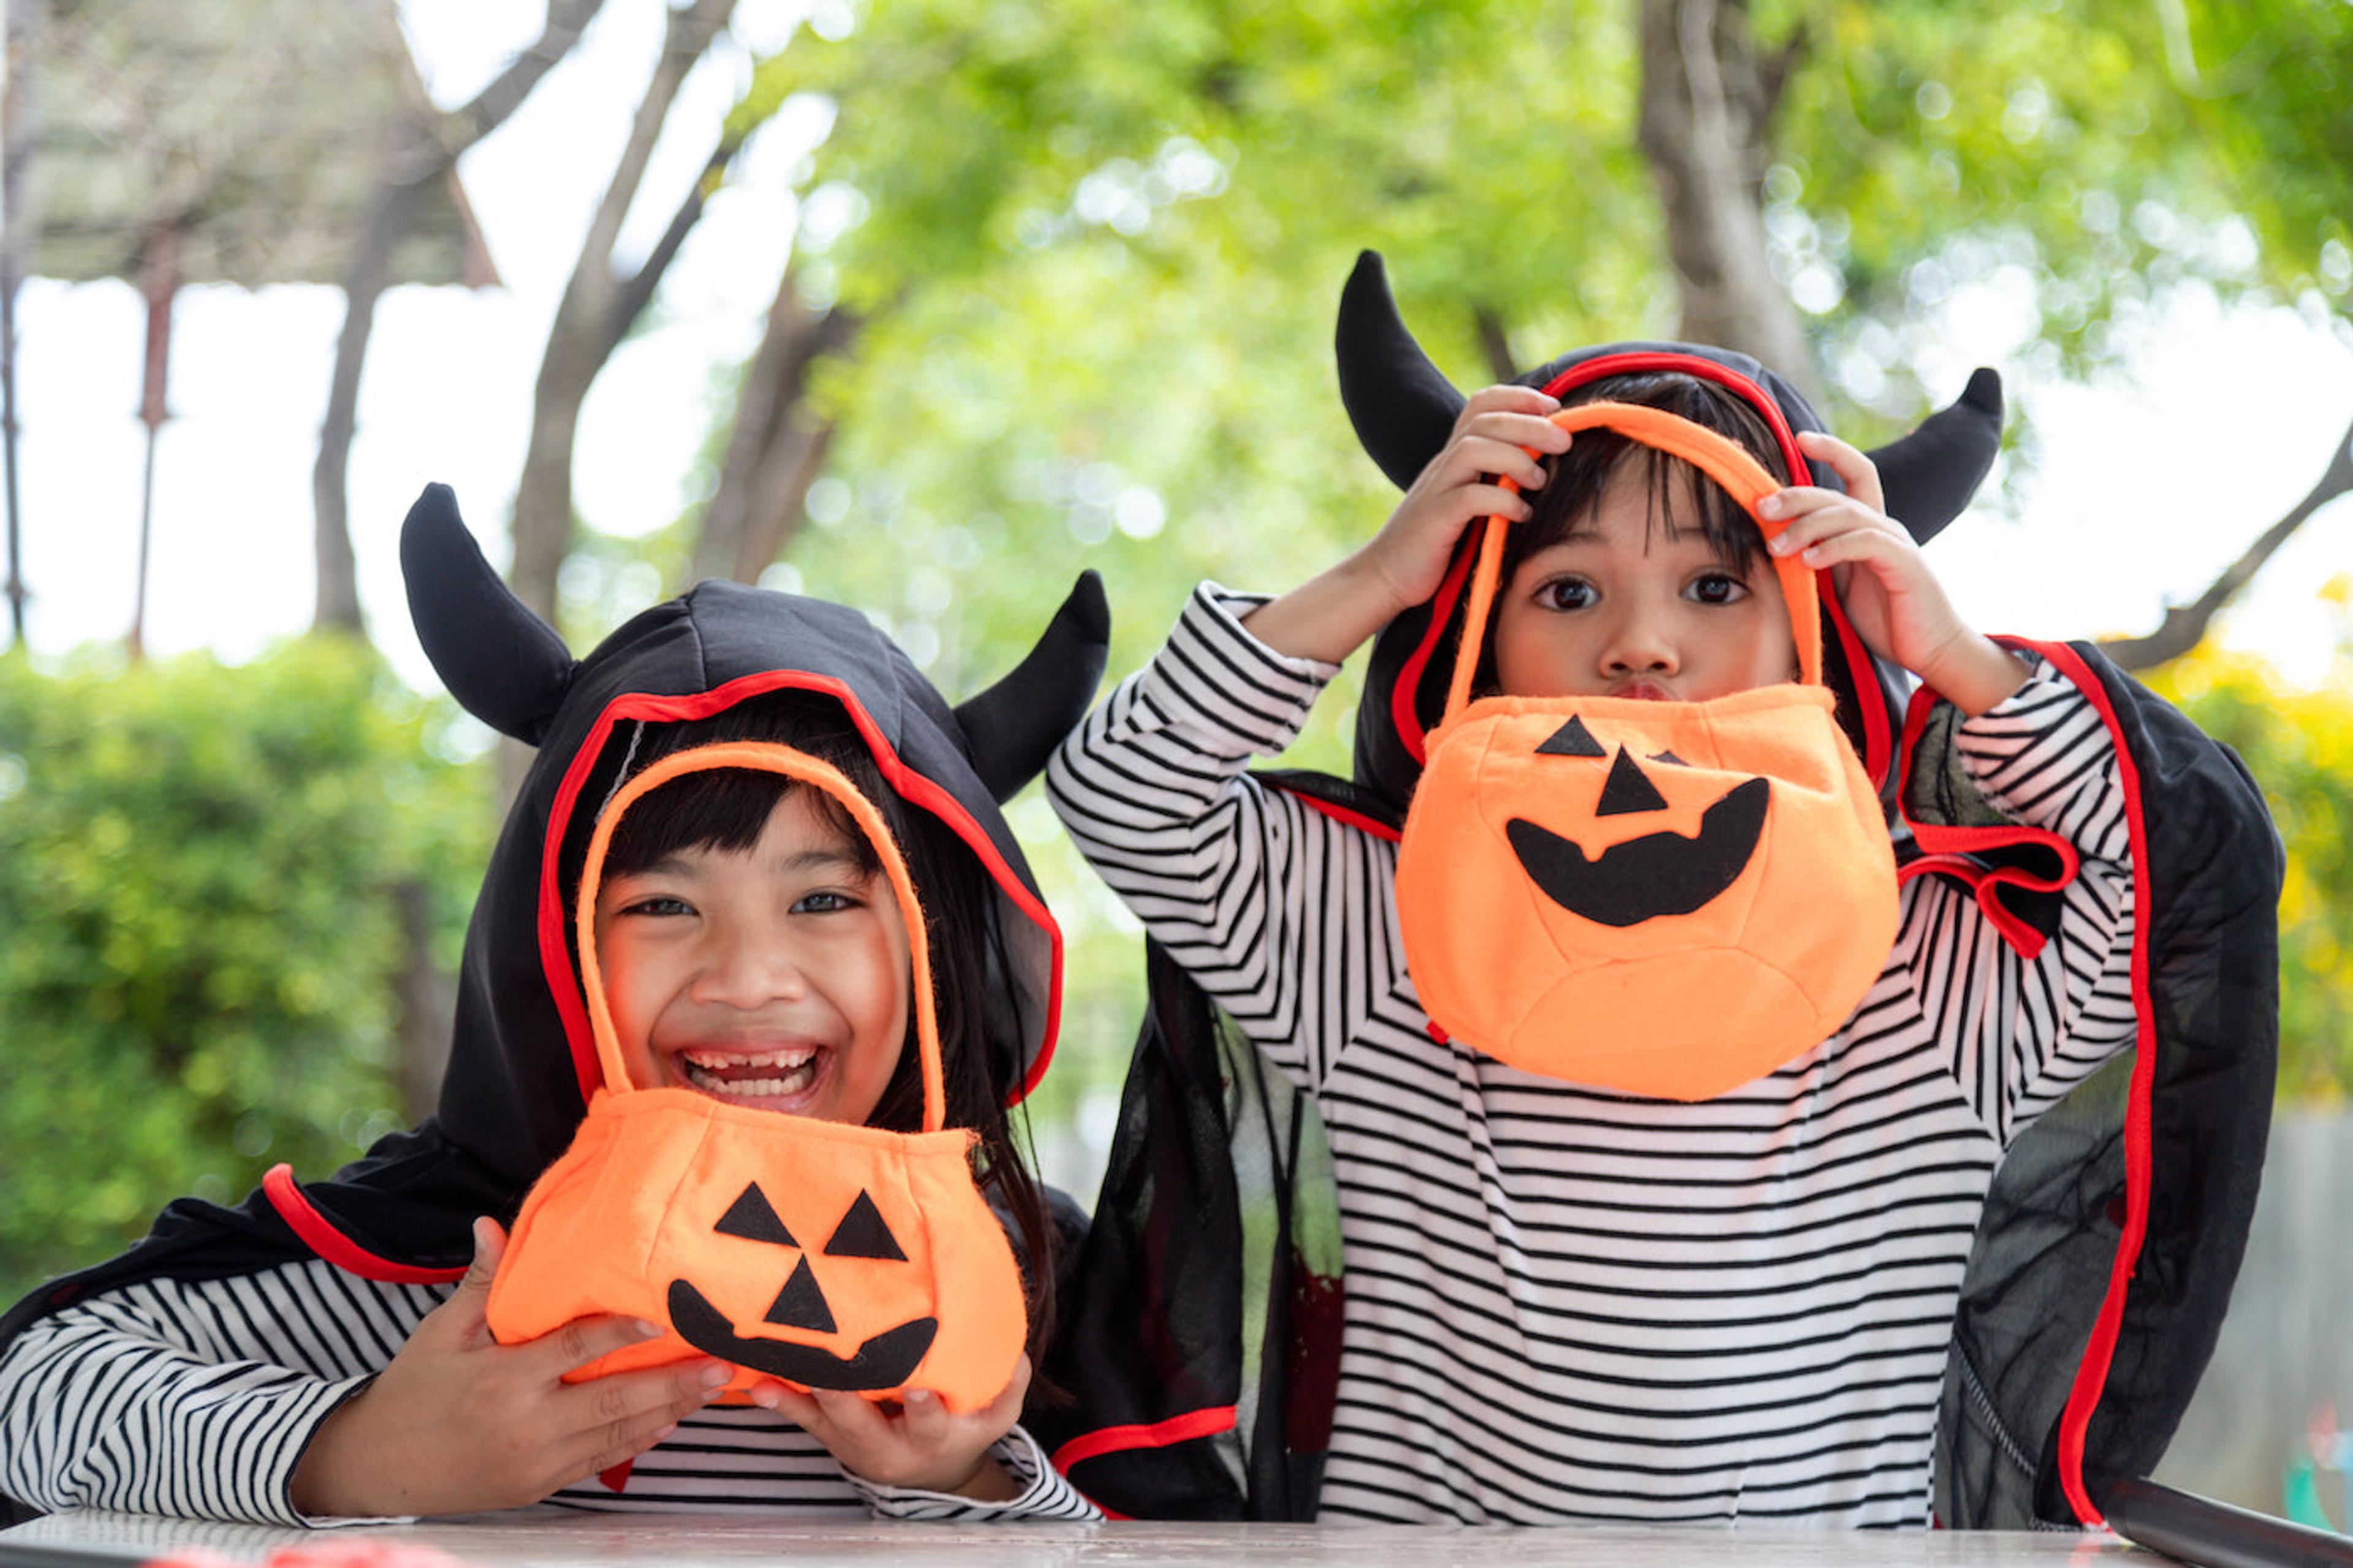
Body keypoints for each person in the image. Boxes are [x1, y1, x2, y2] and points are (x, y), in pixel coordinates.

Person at [1040, 254, 2278, 1528]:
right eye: (1566, 590)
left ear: (1817, 634)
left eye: (1717, 586)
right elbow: (1123, 793)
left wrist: (1954, 656)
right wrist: (1377, 575)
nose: (1642, 644)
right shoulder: (1387, 924)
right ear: (1474, 632)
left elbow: (2188, 881)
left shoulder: (1928, 963)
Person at [0, 484, 1108, 1526]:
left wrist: (963, 1476)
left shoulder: (1032, 1278)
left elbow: (1157, 1524)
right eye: (664, 905)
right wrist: (358, 1451)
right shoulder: (445, 1267)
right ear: (557, 952)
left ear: (933, 948)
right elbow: (31, 1391)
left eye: (822, 900)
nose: (747, 978)